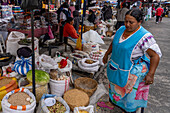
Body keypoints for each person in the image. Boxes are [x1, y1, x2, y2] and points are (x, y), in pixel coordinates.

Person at [97, 9, 162, 113]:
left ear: (139, 22)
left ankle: (127, 110)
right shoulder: (121, 29)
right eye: (126, 21)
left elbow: (155, 56)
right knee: (114, 86)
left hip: (132, 71)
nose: (127, 24)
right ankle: (112, 103)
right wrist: (106, 54)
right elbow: (114, 43)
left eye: (131, 22)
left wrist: (151, 74)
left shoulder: (144, 36)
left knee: (129, 95)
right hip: (116, 65)